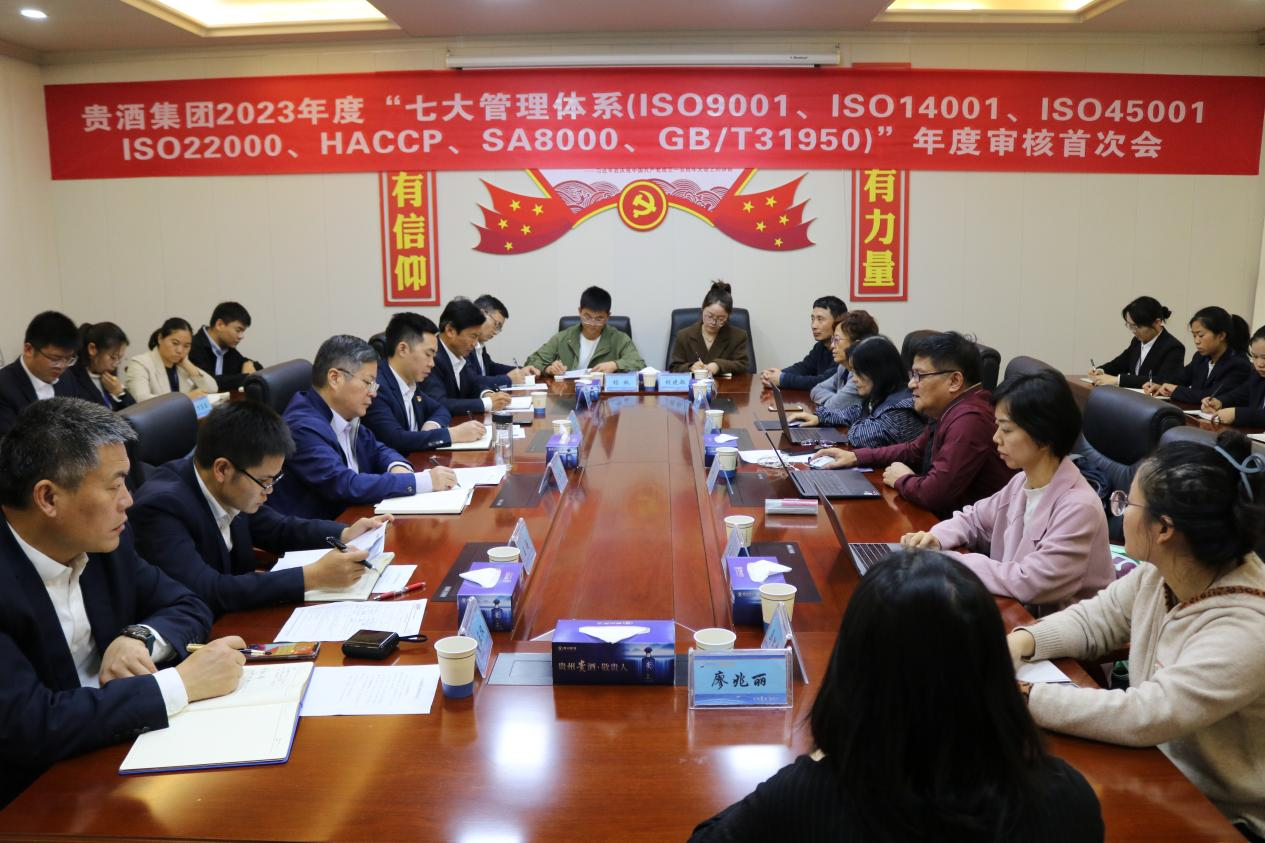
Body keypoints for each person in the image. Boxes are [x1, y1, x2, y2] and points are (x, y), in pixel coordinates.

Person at [690, 548, 1104, 842]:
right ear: (994, 672)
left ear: (853, 675)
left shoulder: (807, 798)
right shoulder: (1068, 800)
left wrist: (817, 761)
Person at [1007, 430, 1265, 840]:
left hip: (1223, 814)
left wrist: (1019, 696)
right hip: (1155, 768)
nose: (1120, 510)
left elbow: (1146, 714)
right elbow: (1096, 619)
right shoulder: (1163, 570)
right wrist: (1021, 642)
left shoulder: (1248, 628)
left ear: (1164, 529)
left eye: (1126, 502)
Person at [0, 397, 244, 808]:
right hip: (35, 794)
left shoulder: (102, 541)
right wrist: (179, 684)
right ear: (48, 498)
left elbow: (188, 603)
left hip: (116, 744)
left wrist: (138, 637)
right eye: (114, 486)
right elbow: (30, 724)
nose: (129, 500)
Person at [129, 401, 390, 618]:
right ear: (222, 469)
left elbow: (278, 528)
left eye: (274, 479)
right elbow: (206, 590)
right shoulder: (161, 508)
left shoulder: (233, 485)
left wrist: (344, 533)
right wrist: (312, 576)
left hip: (239, 620)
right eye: (265, 481)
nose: (270, 490)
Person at [901, 371, 1114, 610]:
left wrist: (950, 562)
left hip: (1056, 627)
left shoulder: (1079, 506)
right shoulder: (1022, 481)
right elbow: (974, 519)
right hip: (1018, 612)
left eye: (1007, 430)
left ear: (1044, 435)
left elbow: (1031, 581)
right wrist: (937, 538)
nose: (996, 438)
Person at [814, 332, 1015, 519]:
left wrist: (902, 479)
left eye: (920, 375)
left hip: (970, 536)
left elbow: (934, 494)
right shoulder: (950, 409)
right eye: (912, 375)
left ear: (954, 381)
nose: (911, 384)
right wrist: (856, 457)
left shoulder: (970, 420)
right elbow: (914, 451)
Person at [268, 335, 457, 520]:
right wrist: (421, 481)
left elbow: (377, 449)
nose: (373, 393)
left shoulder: (343, 414)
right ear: (335, 378)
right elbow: (344, 484)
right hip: (326, 530)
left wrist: (397, 466)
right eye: (368, 383)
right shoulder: (302, 427)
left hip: (355, 518)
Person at [365, 312, 487, 453]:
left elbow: (440, 409)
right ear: (402, 349)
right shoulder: (376, 387)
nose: (432, 364)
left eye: (434, 356)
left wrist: (432, 425)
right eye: (428, 355)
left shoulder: (410, 382)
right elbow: (396, 440)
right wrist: (453, 434)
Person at [788, 336, 924, 449]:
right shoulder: (884, 395)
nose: (854, 379)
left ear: (877, 372)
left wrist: (855, 421)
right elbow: (855, 412)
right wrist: (819, 418)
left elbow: (859, 436)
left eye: (858, 372)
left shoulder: (900, 410)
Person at [525, 285, 647, 375]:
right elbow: (531, 362)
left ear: (608, 316)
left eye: (599, 319)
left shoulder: (619, 339)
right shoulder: (562, 338)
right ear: (580, 311)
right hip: (568, 394)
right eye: (587, 317)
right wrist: (549, 369)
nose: (592, 324)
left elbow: (639, 364)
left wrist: (615, 365)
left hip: (604, 396)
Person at [422, 298, 514, 415]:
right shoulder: (431, 358)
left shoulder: (460, 354)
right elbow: (439, 403)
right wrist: (486, 403)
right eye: (473, 336)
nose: (475, 344)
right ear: (450, 330)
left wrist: (486, 394)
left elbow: (472, 383)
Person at [0, 311, 86, 435]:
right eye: (55, 359)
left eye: (68, 359)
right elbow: (9, 442)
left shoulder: (67, 378)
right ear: (28, 349)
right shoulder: (4, 387)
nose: (62, 366)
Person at [1144, 306, 1252, 405]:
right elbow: (1179, 378)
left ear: (1221, 336)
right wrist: (1160, 386)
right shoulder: (1200, 357)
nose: (1196, 341)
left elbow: (1211, 396)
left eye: (1201, 335)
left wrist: (1175, 390)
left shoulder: (1238, 364)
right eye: (1194, 336)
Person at [1087, 296, 1185, 388]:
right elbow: (1120, 363)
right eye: (1129, 325)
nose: (1133, 331)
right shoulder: (1137, 341)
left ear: (1157, 323)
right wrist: (1101, 371)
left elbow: (1162, 380)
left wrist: (1118, 380)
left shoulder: (1173, 347)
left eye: (1137, 326)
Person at [759, 295, 846, 390]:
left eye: (820, 319)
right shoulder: (820, 346)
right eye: (812, 319)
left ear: (838, 322)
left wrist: (782, 379)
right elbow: (804, 367)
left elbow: (824, 382)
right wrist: (773, 375)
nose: (814, 325)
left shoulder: (844, 349)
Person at [124, 317, 218, 402]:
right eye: (175, 343)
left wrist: (187, 364)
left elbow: (212, 389)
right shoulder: (140, 363)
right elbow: (141, 399)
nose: (180, 350)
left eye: (186, 346)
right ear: (160, 338)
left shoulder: (182, 366)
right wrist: (186, 398)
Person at [805, 310, 880, 416]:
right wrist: (836, 398)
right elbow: (816, 390)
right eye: (833, 339)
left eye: (837, 340)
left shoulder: (863, 376)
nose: (832, 346)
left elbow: (832, 407)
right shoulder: (843, 367)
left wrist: (835, 401)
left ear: (857, 344)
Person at [668, 281, 750, 375]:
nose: (713, 322)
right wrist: (690, 367)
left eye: (720, 319)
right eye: (709, 316)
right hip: (694, 384)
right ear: (702, 309)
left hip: (725, 384)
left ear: (728, 316)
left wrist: (718, 365)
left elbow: (743, 365)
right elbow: (674, 367)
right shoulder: (684, 335)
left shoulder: (738, 336)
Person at [189, 302, 263, 393]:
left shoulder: (226, 347)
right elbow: (211, 383)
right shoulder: (193, 346)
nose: (241, 336)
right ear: (219, 325)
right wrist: (244, 377)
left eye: (243, 332)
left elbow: (256, 367)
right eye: (238, 330)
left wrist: (248, 363)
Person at [471, 294, 539, 385]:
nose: (496, 332)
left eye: (499, 328)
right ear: (482, 314)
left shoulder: (480, 344)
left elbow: (491, 367)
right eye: (497, 325)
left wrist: (520, 371)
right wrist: (508, 379)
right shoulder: (464, 344)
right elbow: (472, 381)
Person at [1206, 324, 1265, 428]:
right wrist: (1219, 402)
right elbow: (1239, 395)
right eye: (1255, 357)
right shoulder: (1257, 376)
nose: (1259, 364)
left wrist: (1237, 414)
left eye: (1264, 358)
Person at [68, 321, 135, 411]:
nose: (116, 364)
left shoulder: (109, 377)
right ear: (92, 349)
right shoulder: (71, 377)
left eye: (120, 358)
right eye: (113, 357)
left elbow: (136, 411)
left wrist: (120, 393)